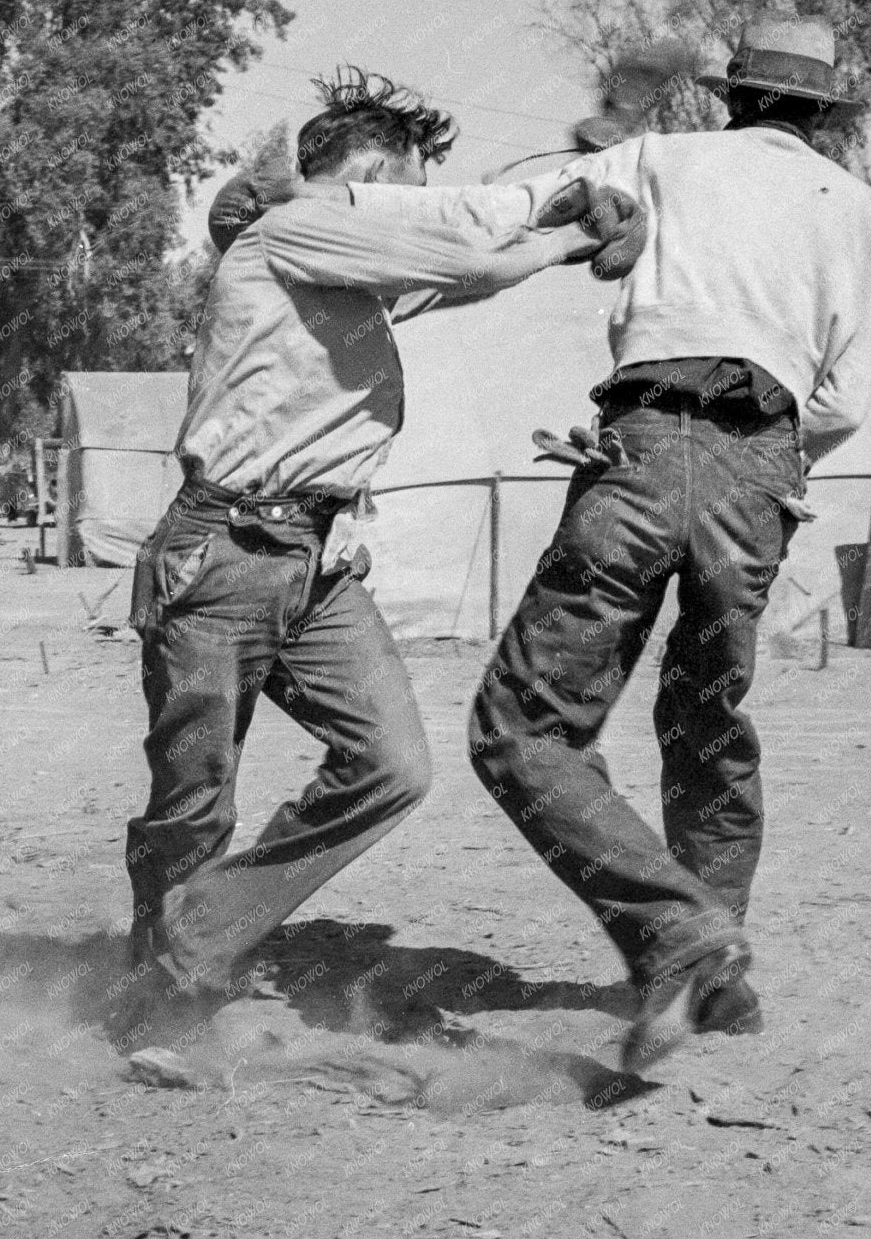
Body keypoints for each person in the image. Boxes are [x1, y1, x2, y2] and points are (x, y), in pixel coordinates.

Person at [127, 69, 643, 996]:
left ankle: (192, 943)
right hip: (222, 551)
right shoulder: (293, 227)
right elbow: (470, 261)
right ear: (357, 174)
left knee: (391, 767)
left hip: (313, 563)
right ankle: (160, 982)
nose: (416, 209)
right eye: (401, 188)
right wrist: (567, 232)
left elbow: (458, 282)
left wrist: (562, 202)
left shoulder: (349, 270)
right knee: (192, 805)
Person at [465, 17, 871, 1071]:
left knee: (522, 725)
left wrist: (596, 132)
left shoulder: (658, 158)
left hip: (645, 437)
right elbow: (841, 396)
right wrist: (759, 462)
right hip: (764, 463)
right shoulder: (860, 210)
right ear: (819, 117)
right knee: (706, 715)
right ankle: (717, 973)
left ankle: (678, 932)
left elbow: (506, 208)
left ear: (732, 97)